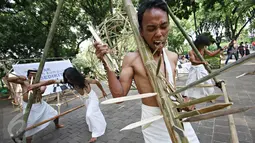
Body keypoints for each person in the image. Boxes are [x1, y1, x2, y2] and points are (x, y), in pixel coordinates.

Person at [94, 0, 199, 142]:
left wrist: (184, 102)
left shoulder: (172, 56)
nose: (159, 34)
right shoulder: (132, 59)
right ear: (141, 31)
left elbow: (170, 89)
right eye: (151, 28)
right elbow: (119, 96)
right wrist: (106, 63)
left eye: (163, 26)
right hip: (153, 121)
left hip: (177, 116)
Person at [6, 70, 64, 143]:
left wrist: (42, 87)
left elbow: (49, 83)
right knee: (30, 125)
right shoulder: (24, 81)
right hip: (29, 106)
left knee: (54, 113)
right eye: (31, 74)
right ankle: (21, 137)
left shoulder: (40, 82)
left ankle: (57, 124)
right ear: (28, 76)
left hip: (40, 104)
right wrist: (21, 77)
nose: (33, 76)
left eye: (35, 74)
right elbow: (8, 79)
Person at [63, 67, 107, 143]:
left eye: (69, 78)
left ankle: (95, 134)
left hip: (92, 98)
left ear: (74, 76)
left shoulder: (85, 81)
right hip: (85, 100)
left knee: (90, 114)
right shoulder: (70, 82)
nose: (68, 80)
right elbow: (53, 81)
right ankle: (100, 123)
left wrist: (103, 91)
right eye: (67, 78)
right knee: (94, 113)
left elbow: (97, 82)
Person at [184, 35, 226, 100]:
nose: (204, 46)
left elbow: (211, 54)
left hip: (201, 68)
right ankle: (188, 96)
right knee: (191, 82)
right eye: (203, 45)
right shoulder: (191, 52)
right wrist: (202, 62)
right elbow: (193, 61)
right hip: (194, 68)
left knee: (207, 81)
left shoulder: (203, 49)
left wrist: (220, 49)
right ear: (199, 44)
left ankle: (209, 95)